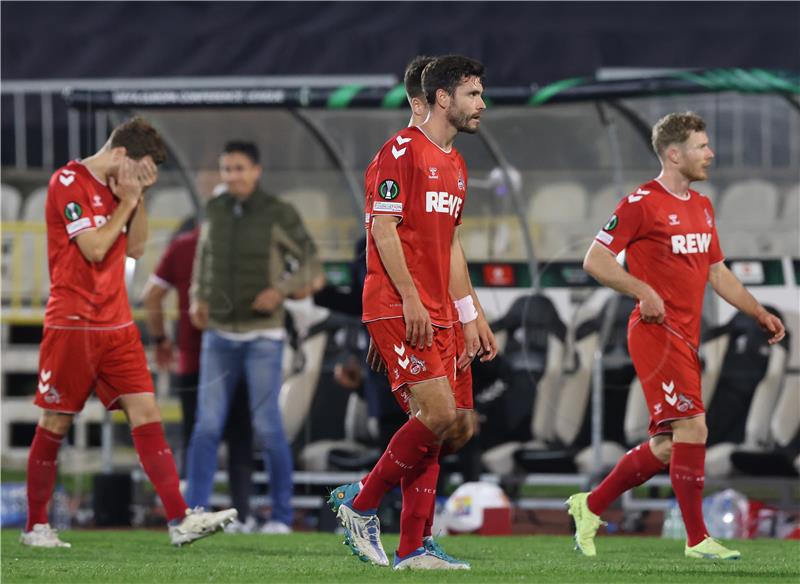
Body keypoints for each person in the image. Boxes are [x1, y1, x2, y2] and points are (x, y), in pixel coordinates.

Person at [568, 112, 785, 560]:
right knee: (694, 427)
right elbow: (595, 260)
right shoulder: (640, 203)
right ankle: (696, 538)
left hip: (687, 337)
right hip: (655, 334)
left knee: (670, 446)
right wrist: (641, 288)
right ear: (673, 153)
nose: (711, 154)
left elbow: (717, 272)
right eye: (702, 146)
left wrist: (758, 311)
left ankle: (589, 505)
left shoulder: (702, 206)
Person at [21, 118, 237, 549]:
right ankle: (36, 526)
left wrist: (138, 199)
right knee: (56, 421)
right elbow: (95, 248)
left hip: (116, 323)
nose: (139, 181)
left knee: (147, 413)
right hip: (74, 324)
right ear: (120, 155)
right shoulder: (68, 181)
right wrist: (128, 200)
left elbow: (135, 248)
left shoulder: (123, 188)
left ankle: (179, 519)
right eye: (139, 171)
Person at [328, 55, 497, 569]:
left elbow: (449, 248)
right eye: (473, 94)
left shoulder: (456, 163)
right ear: (443, 97)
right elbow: (382, 230)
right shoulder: (400, 151)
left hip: (440, 309)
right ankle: (360, 503)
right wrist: (408, 299)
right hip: (401, 304)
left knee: (455, 425)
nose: (482, 104)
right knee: (439, 415)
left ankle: (413, 547)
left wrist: (472, 315)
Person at [186, 141, 323, 534]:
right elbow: (203, 257)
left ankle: (280, 517)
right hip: (218, 335)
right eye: (226, 169)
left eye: (239, 169)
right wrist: (197, 296)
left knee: (268, 428)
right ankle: (194, 514)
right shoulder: (214, 208)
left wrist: (280, 290)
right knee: (206, 427)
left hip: (264, 336)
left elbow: (310, 260)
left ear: (257, 171)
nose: (232, 176)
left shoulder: (278, 212)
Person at [142, 225, 255, 531]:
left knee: (198, 436)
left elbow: (151, 296)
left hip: (192, 360)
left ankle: (192, 511)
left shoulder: (181, 246)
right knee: (240, 440)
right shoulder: (244, 245)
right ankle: (242, 515)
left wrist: (161, 340)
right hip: (239, 357)